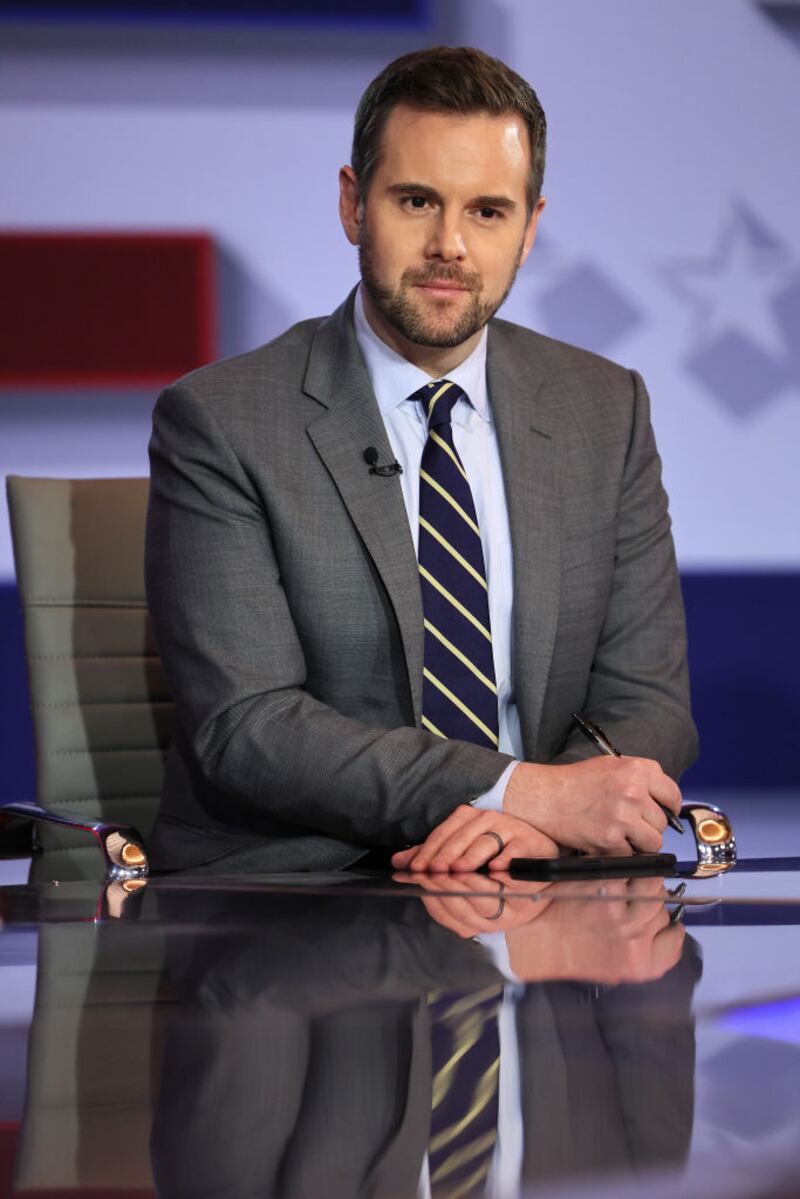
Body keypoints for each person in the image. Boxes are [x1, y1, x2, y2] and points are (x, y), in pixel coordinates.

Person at [145, 45, 697, 876]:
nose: (450, 245)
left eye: (488, 211)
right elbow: (249, 726)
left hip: (544, 881)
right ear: (351, 204)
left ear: (530, 227)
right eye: (416, 201)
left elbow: (650, 699)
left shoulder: (604, 408)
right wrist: (517, 792)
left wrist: (536, 819)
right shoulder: (222, 421)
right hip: (305, 901)